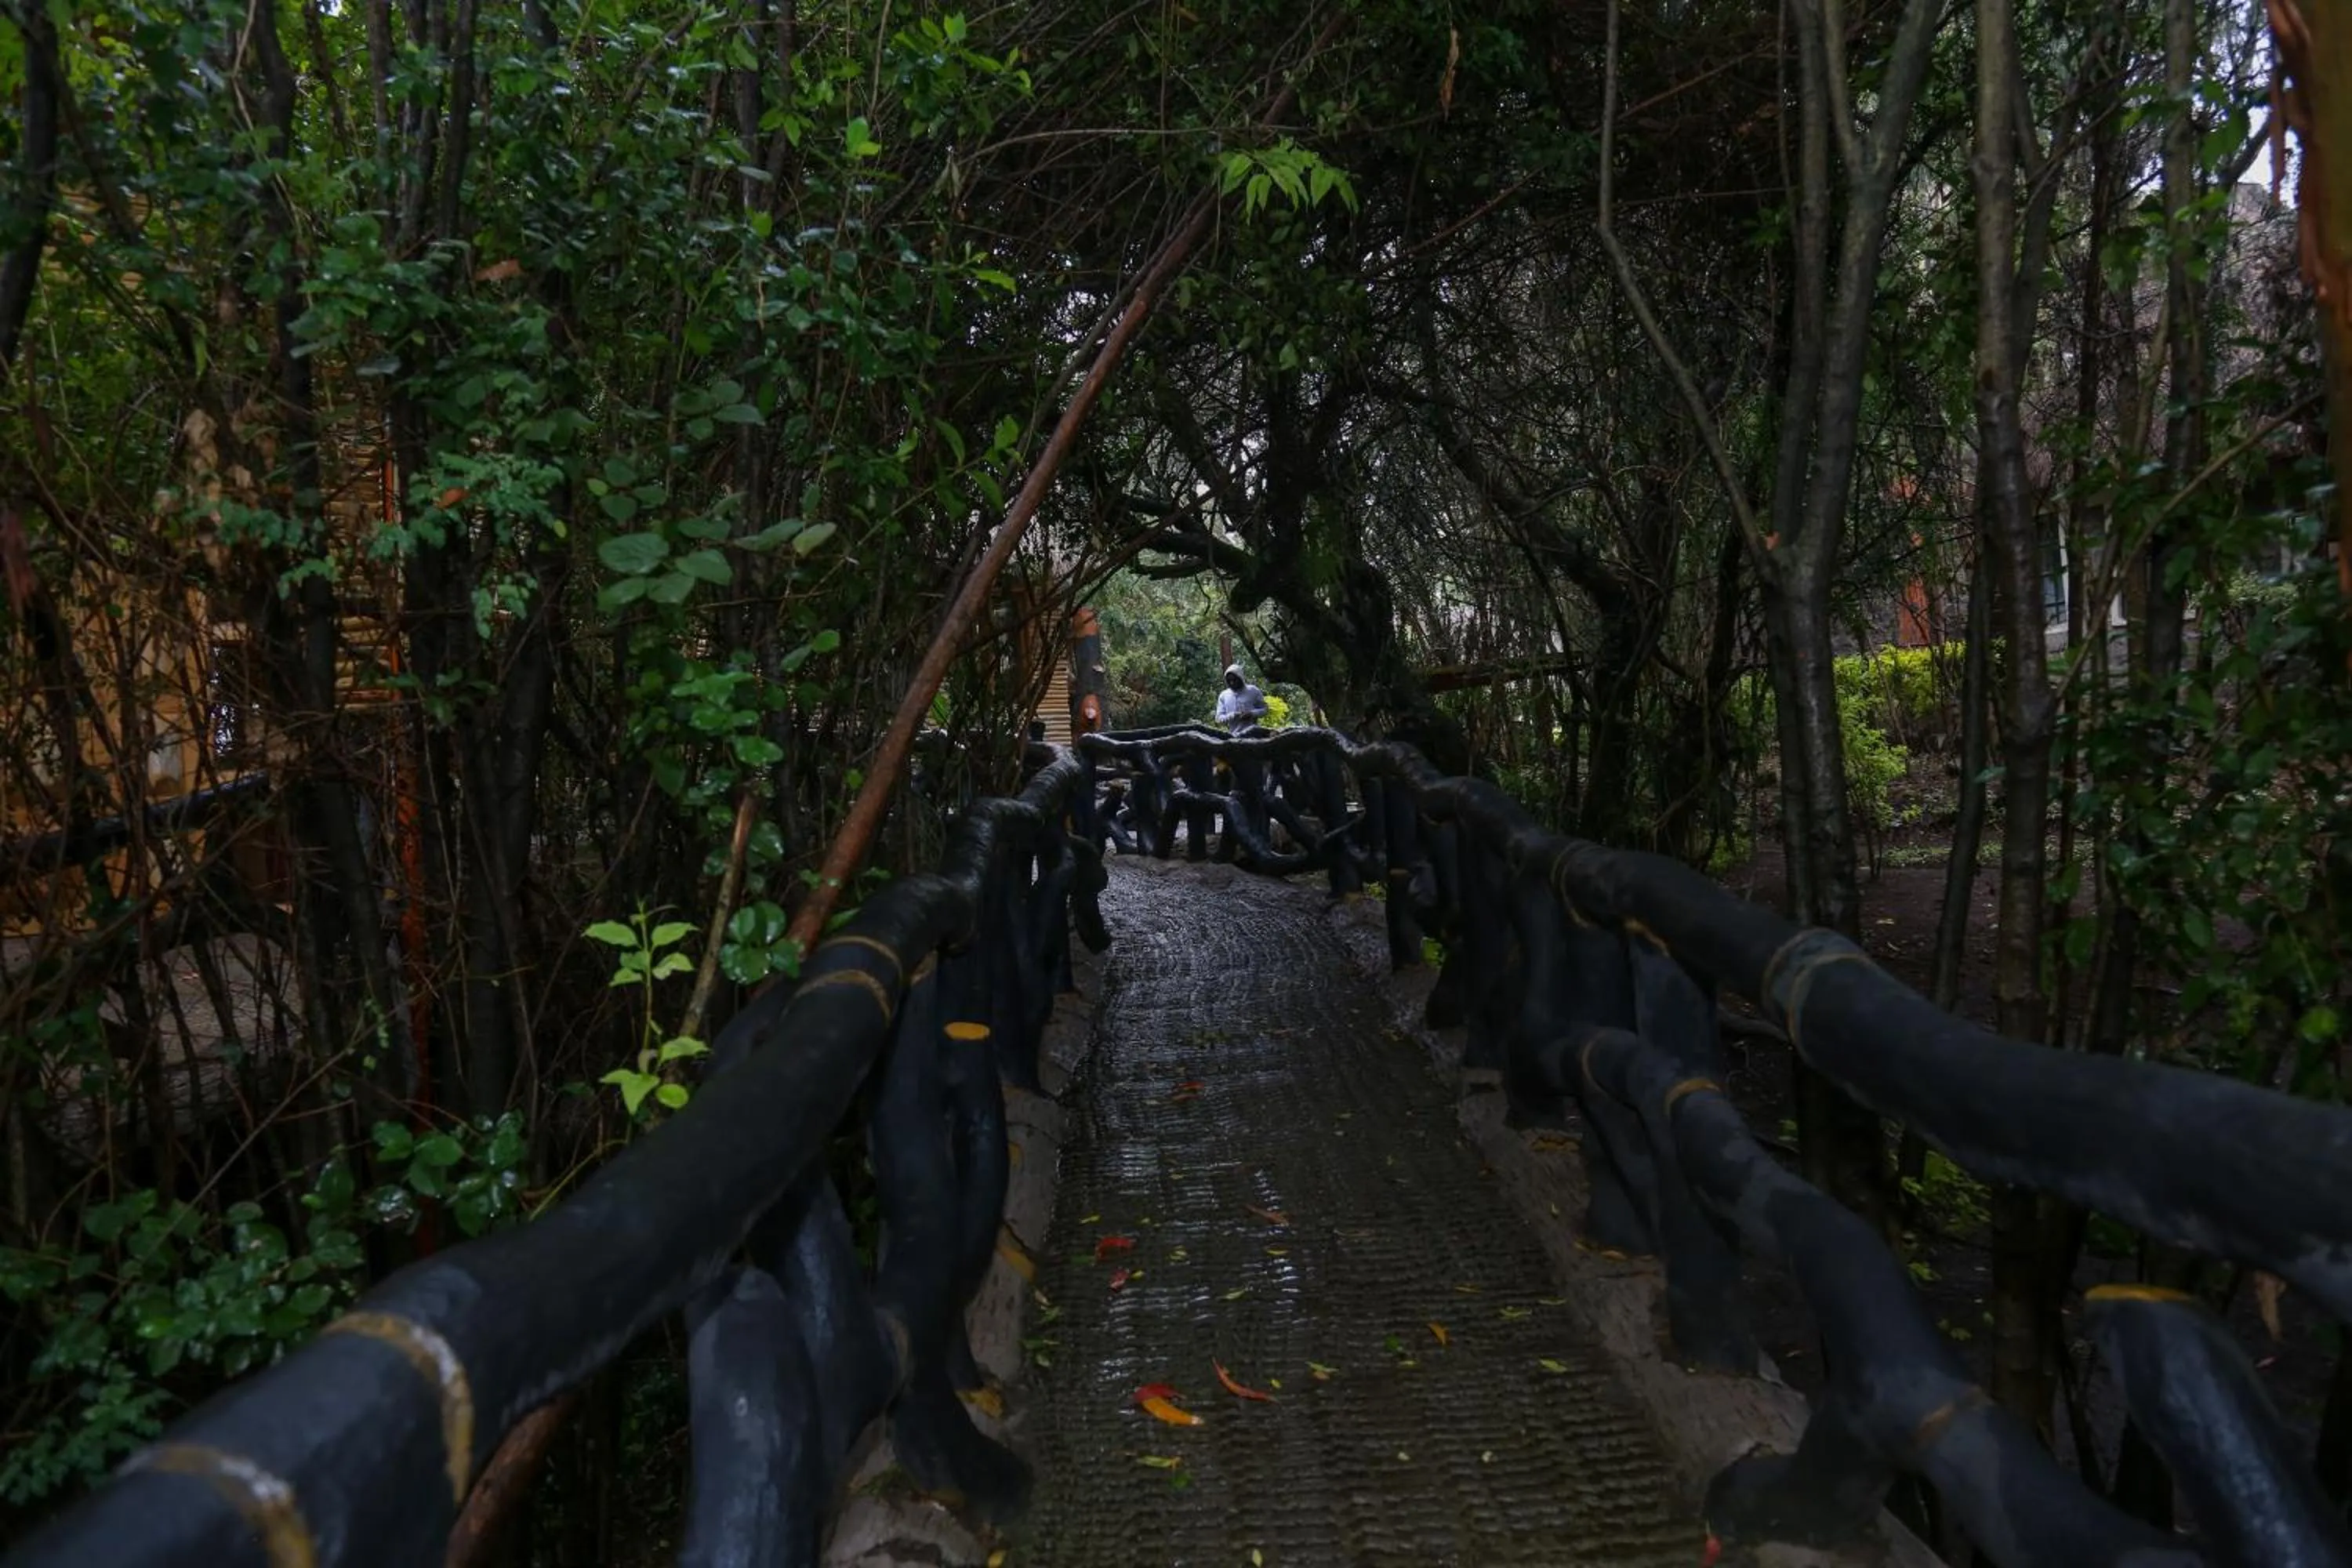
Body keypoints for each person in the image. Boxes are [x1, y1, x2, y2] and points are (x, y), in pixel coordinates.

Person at [1214, 663, 1269, 732]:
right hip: (1233, 735)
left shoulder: (1253, 691)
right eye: (1229, 680)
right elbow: (1218, 719)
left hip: (1253, 733)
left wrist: (1251, 714)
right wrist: (1232, 716)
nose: (1232, 683)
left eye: (1234, 680)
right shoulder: (1224, 695)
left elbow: (1265, 709)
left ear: (1241, 678)